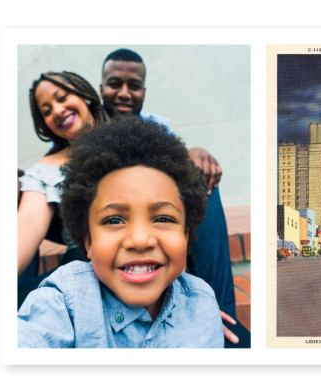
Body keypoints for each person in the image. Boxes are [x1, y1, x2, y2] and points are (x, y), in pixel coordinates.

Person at [18, 116, 224, 348]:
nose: (139, 240)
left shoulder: (202, 304)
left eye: (163, 218)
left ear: (185, 236)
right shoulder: (64, 301)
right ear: (88, 241)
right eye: (114, 219)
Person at [100, 49, 241, 328]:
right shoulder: (86, 125)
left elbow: (177, 163)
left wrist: (196, 153)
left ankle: (221, 314)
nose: (125, 93)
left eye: (135, 86)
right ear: (101, 87)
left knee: (201, 183)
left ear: (144, 90)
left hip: (156, 215)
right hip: (114, 223)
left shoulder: (156, 126)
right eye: (115, 84)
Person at [18, 71, 108, 280]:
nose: (57, 110)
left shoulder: (133, 137)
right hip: (82, 274)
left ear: (83, 94)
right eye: (47, 111)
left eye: (62, 97)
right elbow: (27, 226)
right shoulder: (44, 171)